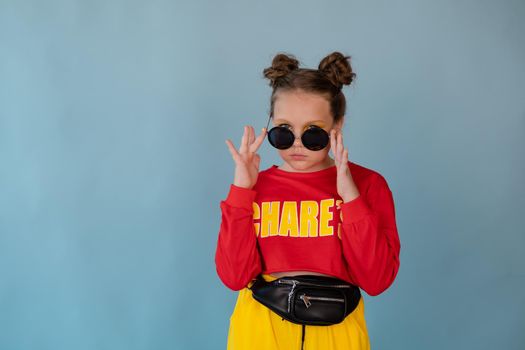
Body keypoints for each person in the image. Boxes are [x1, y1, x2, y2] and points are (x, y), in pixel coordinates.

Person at [214, 51, 401, 350]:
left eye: (313, 134)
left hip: (337, 332)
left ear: (336, 125)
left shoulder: (368, 185)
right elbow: (234, 277)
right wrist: (241, 191)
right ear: (271, 124)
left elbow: (377, 280)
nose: (297, 144)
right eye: (283, 132)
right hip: (261, 329)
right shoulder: (254, 186)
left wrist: (350, 197)